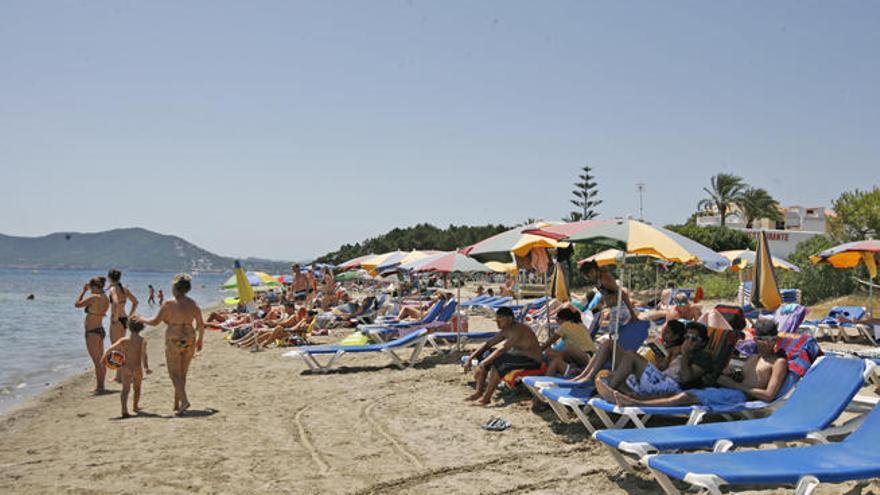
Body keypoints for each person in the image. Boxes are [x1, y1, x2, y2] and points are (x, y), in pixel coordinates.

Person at [603, 319, 788, 408]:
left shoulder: (778, 362)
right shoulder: (755, 357)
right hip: (729, 389)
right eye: (761, 339)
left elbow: (769, 395)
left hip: (740, 397)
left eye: (770, 339)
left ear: (775, 339)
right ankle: (635, 400)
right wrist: (732, 375)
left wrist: (734, 384)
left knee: (687, 398)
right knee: (687, 394)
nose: (766, 343)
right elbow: (747, 377)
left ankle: (636, 403)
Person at [135, 274, 205, 415]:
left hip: (175, 339)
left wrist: (141, 318)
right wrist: (200, 340)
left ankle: (183, 401)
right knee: (182, 373)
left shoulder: (169, 303)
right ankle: (177, 404)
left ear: (175, 288)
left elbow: (155, 321)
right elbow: (201, 324)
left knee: (174, 374)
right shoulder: (193, 304)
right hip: (190, 338)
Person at [594, 321, 713, 402]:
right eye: (687, 337)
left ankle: (609, 391)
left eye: (694, 339)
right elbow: (667, 370)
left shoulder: (703, 357)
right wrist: (662, 363)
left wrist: (686, 354)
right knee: (610, 366)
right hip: (660, 380)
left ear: (703, 342)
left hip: (672, 388)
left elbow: (686, 379)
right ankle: (622, 392)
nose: (688, 341)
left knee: (631, 356)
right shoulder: (679, 351)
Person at [463, 307, 544, 406]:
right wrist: (471, 358)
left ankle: (486, 398)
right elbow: (488, 344)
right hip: (518, 356)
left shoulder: (518, 330)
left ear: (510, 319)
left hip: (532, 360)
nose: (497, 323)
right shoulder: (507, 329)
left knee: (497, 362)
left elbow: (502, 349)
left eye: (500, 320)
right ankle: (479, 392)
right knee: (485, 353)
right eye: (496, 320)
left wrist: (483, 363)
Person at [102, 319, 151, 417]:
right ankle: (135, 406)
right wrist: (146, 367)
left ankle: (124, 409)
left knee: (125, 390)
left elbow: (111, 348)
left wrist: (103, 358)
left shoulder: (124, 340)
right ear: (142, 327)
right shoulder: (142, 340)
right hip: (137, 368)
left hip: (126, 368)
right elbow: (144, 355)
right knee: (137, 388)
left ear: (128, 327)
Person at [74, 276, 110, 393]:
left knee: (97, 361)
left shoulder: (94, 297)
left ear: (95, 286)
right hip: (99, 329)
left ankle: (99, 387)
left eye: (91, 288)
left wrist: (83, 291)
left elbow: (77, 304)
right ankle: (101, 385)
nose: (90, 290)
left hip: (92, 331)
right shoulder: (105, 297)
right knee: (101, 360)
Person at [579, 261, 636, 332]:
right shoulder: (598, 281)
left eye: (588, 275)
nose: (588, 277)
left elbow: (623, 294)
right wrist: (590, 313)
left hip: (620, 309)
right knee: (613, 335)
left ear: (592, 270)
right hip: (613, 310)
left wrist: (632, 313)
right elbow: (602, 302)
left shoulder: (605, 278)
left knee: (613, 336)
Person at [542, 307, 596, 376]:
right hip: (590, 356)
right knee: (552, 353)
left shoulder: (565, 325)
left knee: (556, 351)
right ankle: (571, 367)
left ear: (562, 319)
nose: (557, 322)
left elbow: (549, 342)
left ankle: (568, 368)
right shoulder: (580, 324)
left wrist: (539, 349)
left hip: (587, 357)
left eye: (557, 319)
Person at [107, 269, 139, 382]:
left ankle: (121, 376)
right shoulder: (124, 289)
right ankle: (119, 375)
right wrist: (130, 316)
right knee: (121, 347)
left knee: (116, 347)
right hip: (124, 318)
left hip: (117, 320)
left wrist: (115, 317)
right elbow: (135, 302)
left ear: (109, 278)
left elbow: (115, 302)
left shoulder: (112, 289)